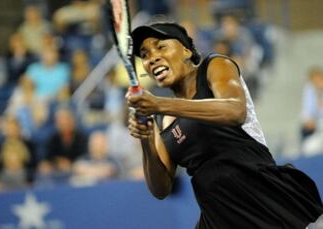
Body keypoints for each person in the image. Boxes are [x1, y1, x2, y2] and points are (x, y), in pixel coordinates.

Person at [126, 21, 323, 228]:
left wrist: (161, 104)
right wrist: (147, 138)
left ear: (185, 50)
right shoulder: (160, 116)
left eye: (161, 46)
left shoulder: (215, 66)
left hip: (263, 196)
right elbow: (161, 188)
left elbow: (234, 110)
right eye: (145, 54)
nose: (153, 57)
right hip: (219, 216)